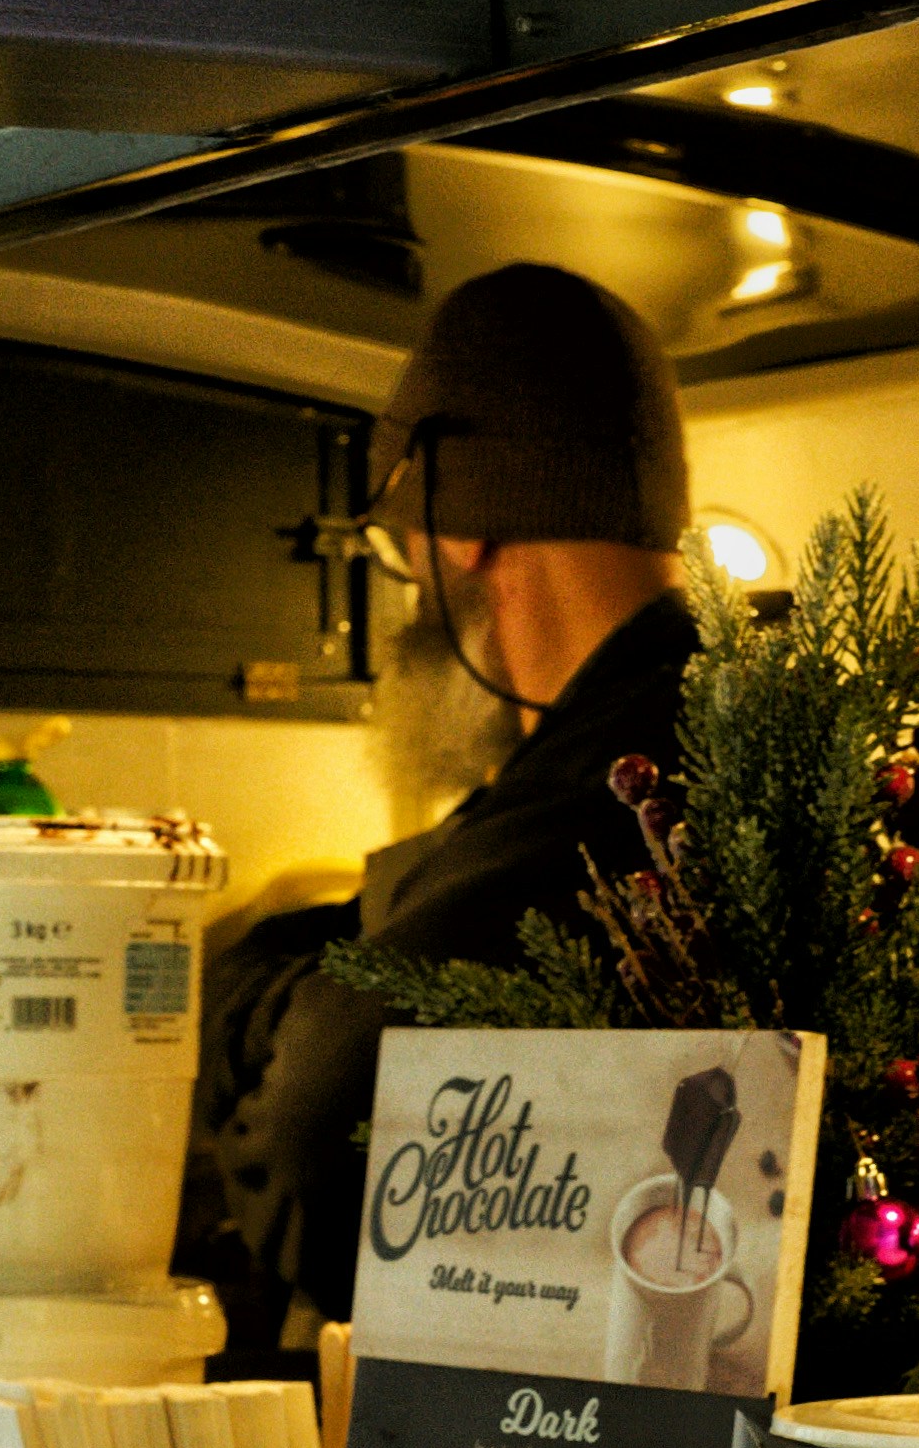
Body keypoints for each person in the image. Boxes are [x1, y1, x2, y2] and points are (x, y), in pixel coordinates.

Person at [185, 262, 696, 1331]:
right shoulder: (708, 729)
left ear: (464, 530)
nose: (413, 585)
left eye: (399, 545)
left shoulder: (604, 796)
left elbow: (318, 1154)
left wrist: (255, 1006)